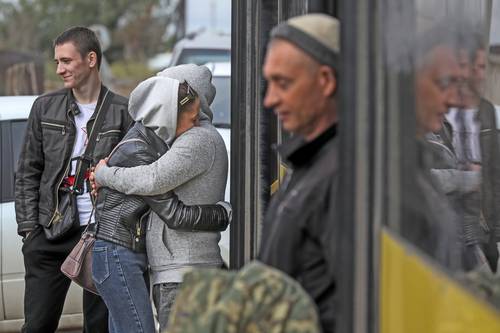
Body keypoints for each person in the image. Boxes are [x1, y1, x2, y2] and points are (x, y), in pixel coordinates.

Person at [93, 64, 228, 332]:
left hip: (180, 269)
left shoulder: (193, 140)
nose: (195, 119)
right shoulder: (147, 145)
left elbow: (156, 185)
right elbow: (164, 198)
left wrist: (103, 174)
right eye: (190, 115)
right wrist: (222, 212)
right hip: (126, 253)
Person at [15, 26, 132, 332]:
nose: (59, 69)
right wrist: (29, 231)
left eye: (66, 61)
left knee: (98, 327)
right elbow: (28, 170)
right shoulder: (44, 108)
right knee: (37, 325)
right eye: (57, 62)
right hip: (51, 230)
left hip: (101, 232)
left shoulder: (123, 112)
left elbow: (134, 176)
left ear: (91, 59)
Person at [258, 13, 339, 333]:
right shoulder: (311, 163)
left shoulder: (343, 176)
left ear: (326, 80)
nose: (270, 99)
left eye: (283, 83)